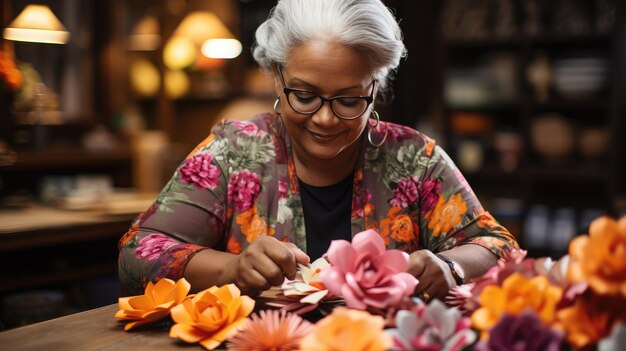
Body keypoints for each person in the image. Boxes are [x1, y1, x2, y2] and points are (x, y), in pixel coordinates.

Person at [118, 0, 518, 301]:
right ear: (277, 77)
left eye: (348, 100)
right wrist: (231, 269)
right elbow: (138, 254)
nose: (325, 119)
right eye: (305, 95)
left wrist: (450, 265)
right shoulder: (233, 152)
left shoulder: (414, 159)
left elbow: (500, 248)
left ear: (375, 89)